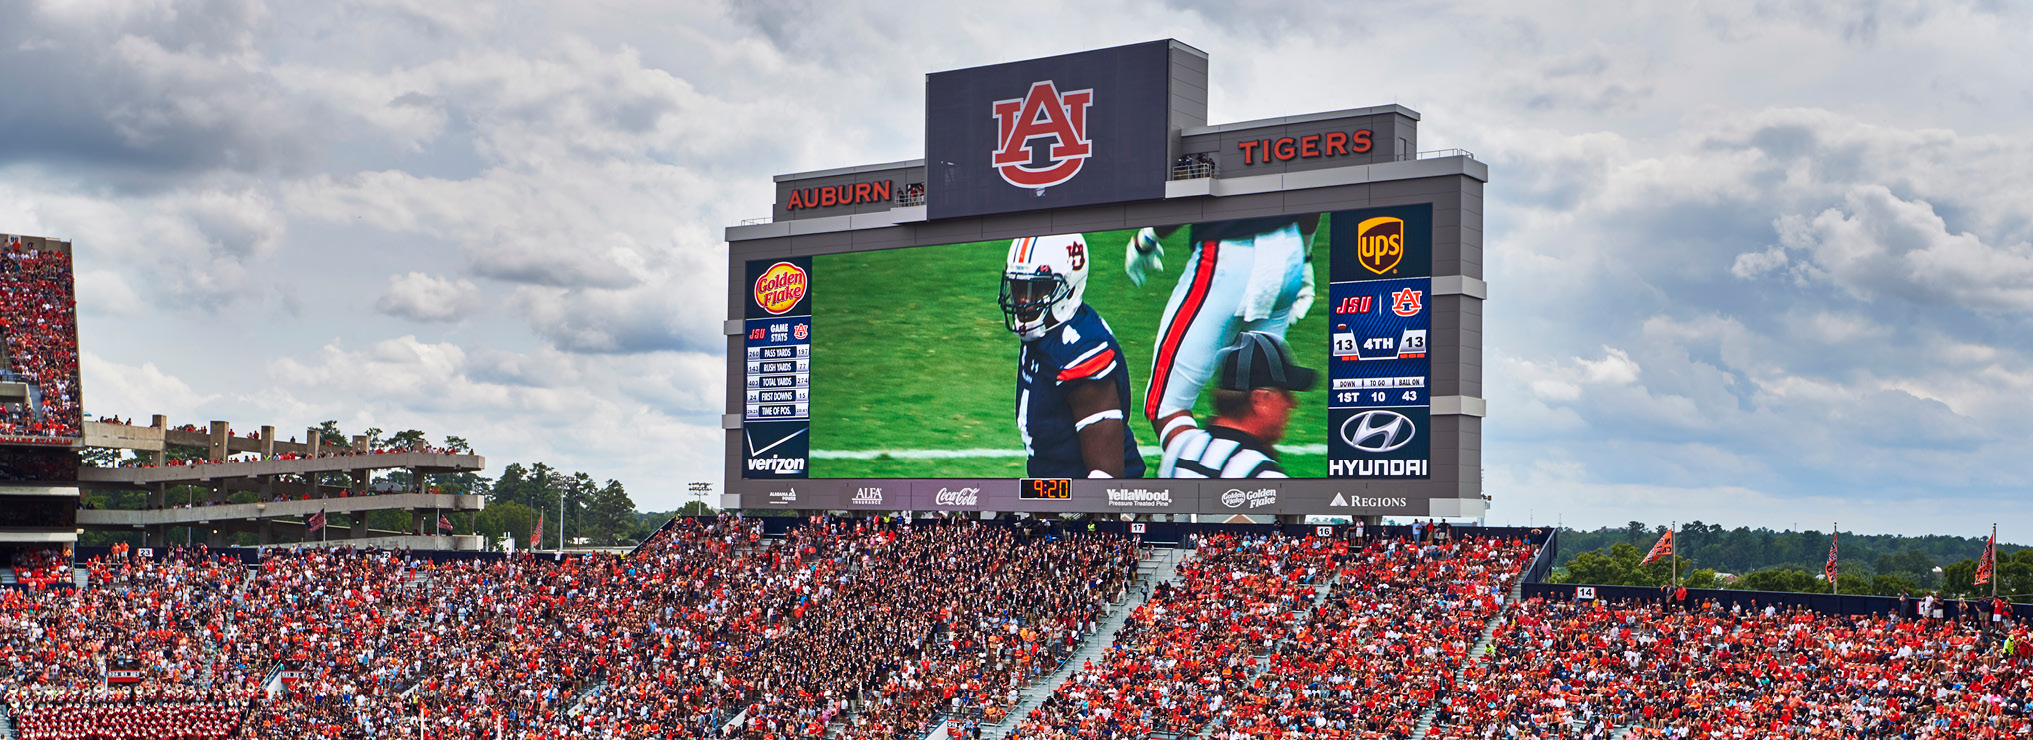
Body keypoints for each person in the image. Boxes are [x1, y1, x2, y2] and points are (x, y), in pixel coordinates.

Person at [1125, 214, 1322, 450]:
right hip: (1289, 251)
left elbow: (1192, 188)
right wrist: (1305, 254)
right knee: (1260, 400)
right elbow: (1308, 187)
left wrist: (1147, 238)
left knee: (1167, 405)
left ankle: (1206, 476)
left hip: (1228, 255)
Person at [999, 234, 1145, 478]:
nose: (1023, 300)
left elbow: (1105, 479)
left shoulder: (1081, 351)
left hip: (1090, 500)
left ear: (1069, 285)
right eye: (1018, 287)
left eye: (1037, 289)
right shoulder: (1048, 329)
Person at [1156, 331, 1315, 478]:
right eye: (1285, 393)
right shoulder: (1266, 478)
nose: (1293, 403)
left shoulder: (1180, 446)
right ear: (1259, 401)